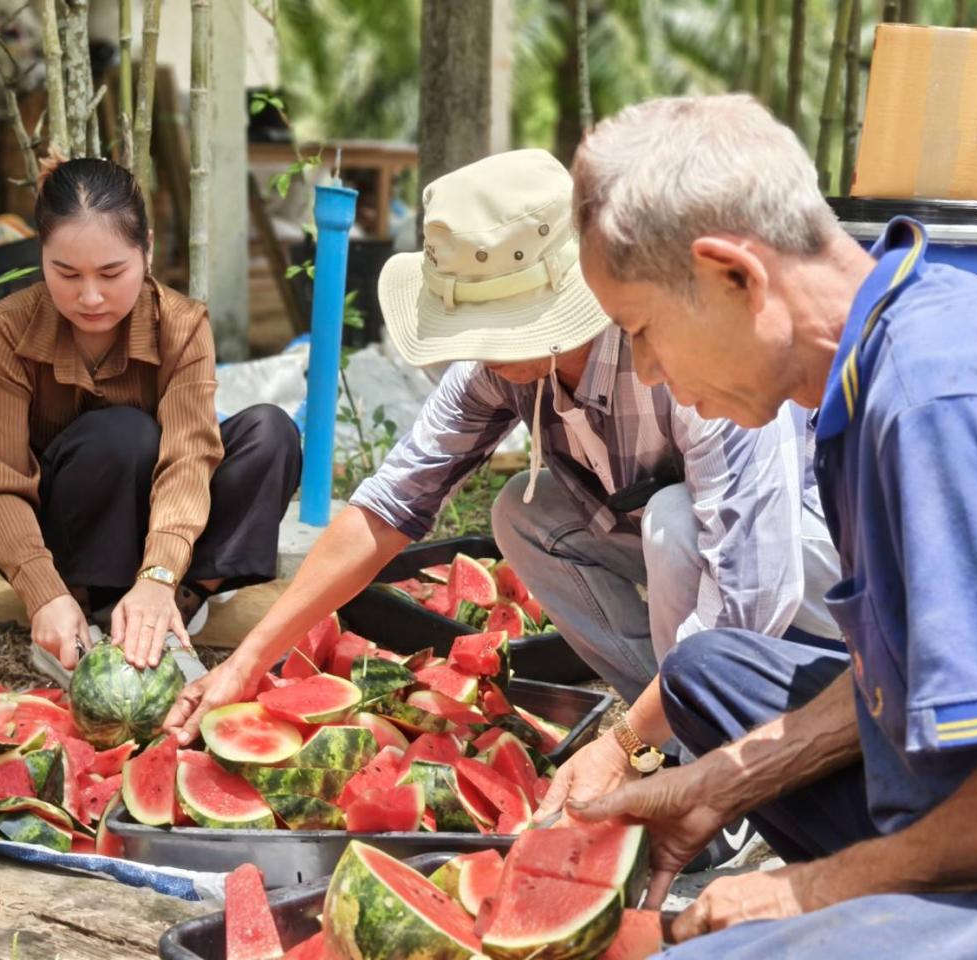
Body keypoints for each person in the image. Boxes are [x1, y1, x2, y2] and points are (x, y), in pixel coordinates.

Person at [164, 149, 840, 866]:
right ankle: (671, 733)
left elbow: (751, 593)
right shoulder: (497, 371)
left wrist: (622, 744)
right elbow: (389, 505)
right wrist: (248, 661)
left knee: (676, 521)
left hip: (819, 577)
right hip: (703, 576)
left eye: (504, 325)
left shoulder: (691, 350)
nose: (487, 349)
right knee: (523, 512)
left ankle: (722, 775)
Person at [560, 93, 977, 957]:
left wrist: (807, 890)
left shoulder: (935, 404)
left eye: (641, 331)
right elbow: (896, 668)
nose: (647, 371)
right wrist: (723, 784)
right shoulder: (867, 369)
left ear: (734, 276)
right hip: (968, 789)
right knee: (703, 671)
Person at [0, 155, 301, 688]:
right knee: (123, 433)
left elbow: (188, 457)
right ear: (41, 255)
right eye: (66, 273)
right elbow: (3, 485)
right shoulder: (8, 330)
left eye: (111, 273)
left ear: (145, 249)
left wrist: (160, 577)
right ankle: (78, 614)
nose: (90, 297)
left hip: (165, 535)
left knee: (271, 433)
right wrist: (43, 593)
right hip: (67, 538)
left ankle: (178, 604)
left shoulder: (182, 325)